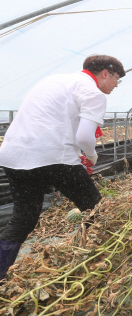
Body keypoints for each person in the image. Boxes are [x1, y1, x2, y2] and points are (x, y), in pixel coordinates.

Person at [0, 55, 125, 280]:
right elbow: (85, 137)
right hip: (53, 156)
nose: (116, 84)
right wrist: (91, 156)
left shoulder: (53, 81)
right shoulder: (93, 92)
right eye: (117, 79)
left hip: (14, 155)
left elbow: (52, 122)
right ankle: (102, 262)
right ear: (105, 73)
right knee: (96, 210)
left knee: (24, 217)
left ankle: (0, 272)